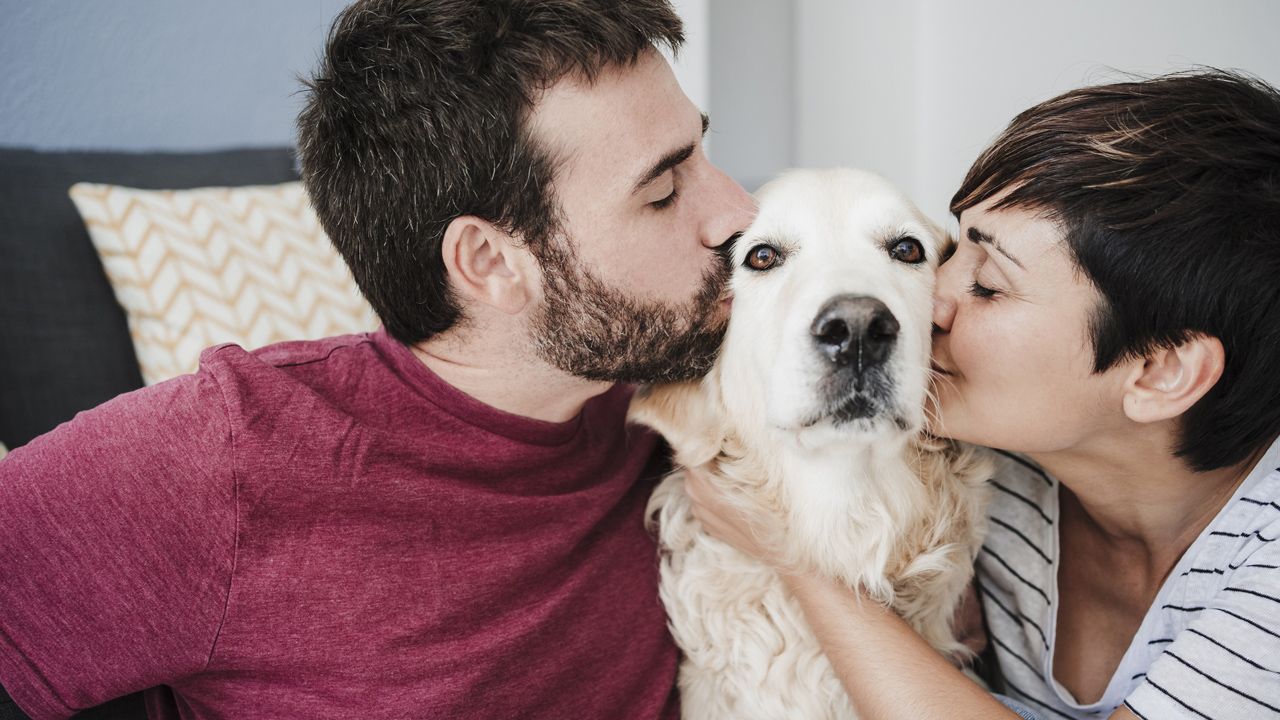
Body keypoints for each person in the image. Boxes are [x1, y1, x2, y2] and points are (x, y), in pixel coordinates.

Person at [0, 1, 753, 718]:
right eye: (662, 190)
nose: (740, 213)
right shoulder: (223, 460)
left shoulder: (695, 399)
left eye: (703, 153)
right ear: (489, 262)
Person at [686, 69, 1280, 720]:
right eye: (949, 249)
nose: (924, 303)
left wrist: (799, 566)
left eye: (989, 285)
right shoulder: (992, 470)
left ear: (1157, 371)